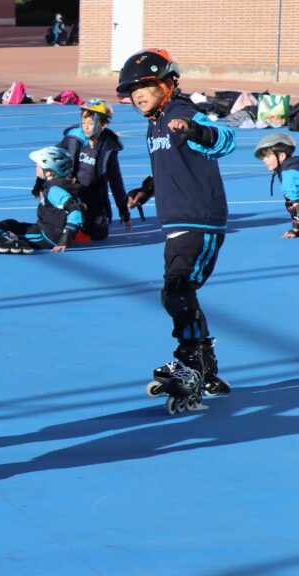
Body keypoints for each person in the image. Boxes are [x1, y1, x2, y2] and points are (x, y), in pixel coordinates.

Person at [117, 49, 236, 413]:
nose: (139, 93)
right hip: (177, 223)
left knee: (177, 291)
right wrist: (147, 189)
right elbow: (169, 165)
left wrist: (194, 129)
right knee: (181, 292)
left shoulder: (180, 112)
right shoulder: (154, 123)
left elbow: (225, 140)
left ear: (168, 83)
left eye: (147, 85)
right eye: (133, 89)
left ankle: (191, 365)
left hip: (199, 219)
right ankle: (205, 363)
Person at [37, 98, 130, 241]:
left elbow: (116, 181)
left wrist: (123, 209)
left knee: (99, 234)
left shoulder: (108, 147)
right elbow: (48, 158)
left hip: (93, 194)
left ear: (103, 123)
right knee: (57, 229)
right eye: (84, 122)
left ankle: (83, 222)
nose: (86, 127)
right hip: (69, 190)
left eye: (91, 123)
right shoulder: (73, 139)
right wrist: (39, 184)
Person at [0, 146, 83, 254]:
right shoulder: (58, 185)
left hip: (47, 237)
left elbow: (75, 211)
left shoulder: (54, 190)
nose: (36, 167)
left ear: (49, 172)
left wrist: (64, 240)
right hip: (45, 230)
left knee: (2, 232)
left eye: (38, 166)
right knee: (9, 223)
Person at [253, 133, 299, 237]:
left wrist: (295, 230)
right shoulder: (291, 167)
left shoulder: (289, 174)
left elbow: (296, 205)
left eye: (267, 156)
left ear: (282, 156)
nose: (264, 160)